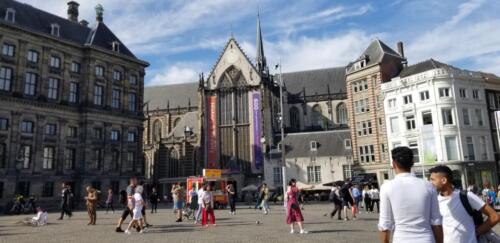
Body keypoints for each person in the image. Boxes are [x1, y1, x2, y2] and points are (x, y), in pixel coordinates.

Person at [378, 146, 443, 243]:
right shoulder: (428, 186)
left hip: (401, 239)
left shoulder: (387, 187)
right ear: (413, 162)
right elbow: (436, 222)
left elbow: (385, 224)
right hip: (426, 238)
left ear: (394, 164)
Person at [429, 165, 500, 243]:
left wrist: (476, 233)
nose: (430, 183)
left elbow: (494, 216)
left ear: (444, 180)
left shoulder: (466, 196)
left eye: (433, 180)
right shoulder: (434, 201)